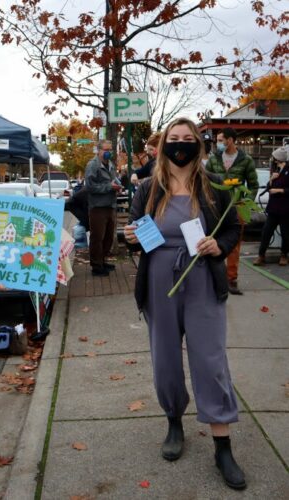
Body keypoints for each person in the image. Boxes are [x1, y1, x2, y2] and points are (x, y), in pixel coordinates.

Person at [124, 118, 245, 490]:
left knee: (210, 359)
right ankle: (174, 420)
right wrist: (130, 236)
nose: (180, 145)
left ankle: (222, 443)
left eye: (187, 139)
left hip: (202, 279)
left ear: (199, 145)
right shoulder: (148, 188)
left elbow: (231, 228)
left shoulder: (213, 189)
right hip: (160, 279)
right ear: (163, 146)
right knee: (165, 357)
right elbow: (135, 232)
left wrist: (218, 245)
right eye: (173, 139)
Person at [206, 127, 258, 295]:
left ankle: (231, 279)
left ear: (230, 140)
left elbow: (253, 184)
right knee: (212, 241)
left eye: (221, 140)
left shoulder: (246, 160)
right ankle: (213, 276)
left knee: (234, 244)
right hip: (216, 207)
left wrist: (246, 202)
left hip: (237, 207)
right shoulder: (214, 159)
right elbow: (205, 181)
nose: (218, 143)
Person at [84, 140, 121, 276]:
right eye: (105, 150)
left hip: (110, 205)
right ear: (98, 151)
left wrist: (118, 187)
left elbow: (113, 180)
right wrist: (109, 187)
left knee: (108, 237)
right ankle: (96, 266)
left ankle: (103, 261)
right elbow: (89, 187)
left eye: (110, 149)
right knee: (97, 237)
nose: (108, 152)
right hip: (98, 207)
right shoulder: (92, 165)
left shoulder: (110, 164)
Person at [253, 147, 289, 266]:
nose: (273, 159)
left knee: (285, 233)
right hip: (273, 208)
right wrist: (271, 179)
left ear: (278, 158)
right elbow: (268, 187)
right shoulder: (276, 171)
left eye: (274, 157)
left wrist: (279, 190)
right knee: (266, 231)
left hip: (285, 208)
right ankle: (261, 255)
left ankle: (284, 255)